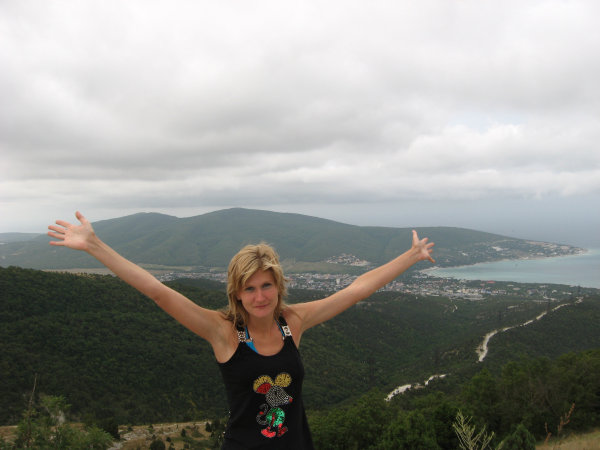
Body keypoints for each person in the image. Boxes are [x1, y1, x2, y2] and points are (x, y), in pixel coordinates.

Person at [48, 211, 435, 449]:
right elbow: (158, 292)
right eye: (249, 288)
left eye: (266, 285)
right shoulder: (223, 331)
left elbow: (355, 290)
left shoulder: (293, 322)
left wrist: (411, 256)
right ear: (236, 293)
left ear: (278, 286)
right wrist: (95, 246)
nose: (260, 296)